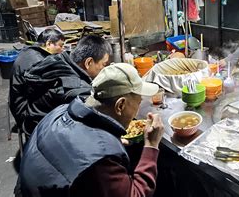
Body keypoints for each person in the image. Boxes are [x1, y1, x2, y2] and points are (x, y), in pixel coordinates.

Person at [20, 63, 164, 197]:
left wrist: (111, 140)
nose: (138, 109)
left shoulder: (59, 111)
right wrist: (151, 145)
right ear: (120, 105)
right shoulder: (102, 159)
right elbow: (135, 194)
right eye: (138, 103)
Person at [11, 34, 112, 137]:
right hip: (40, 135)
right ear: (88, 62)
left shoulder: (59, 59)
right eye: (104, 65)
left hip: (30, 117)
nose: (105, 70)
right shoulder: (76, 90)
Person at [9, 29, 65, 127]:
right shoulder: (38, 62)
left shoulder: (30, 50)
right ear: (49, 44)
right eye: (60, 45)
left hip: (17, 101)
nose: (63, 49)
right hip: (24, 113)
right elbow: (45, 93)